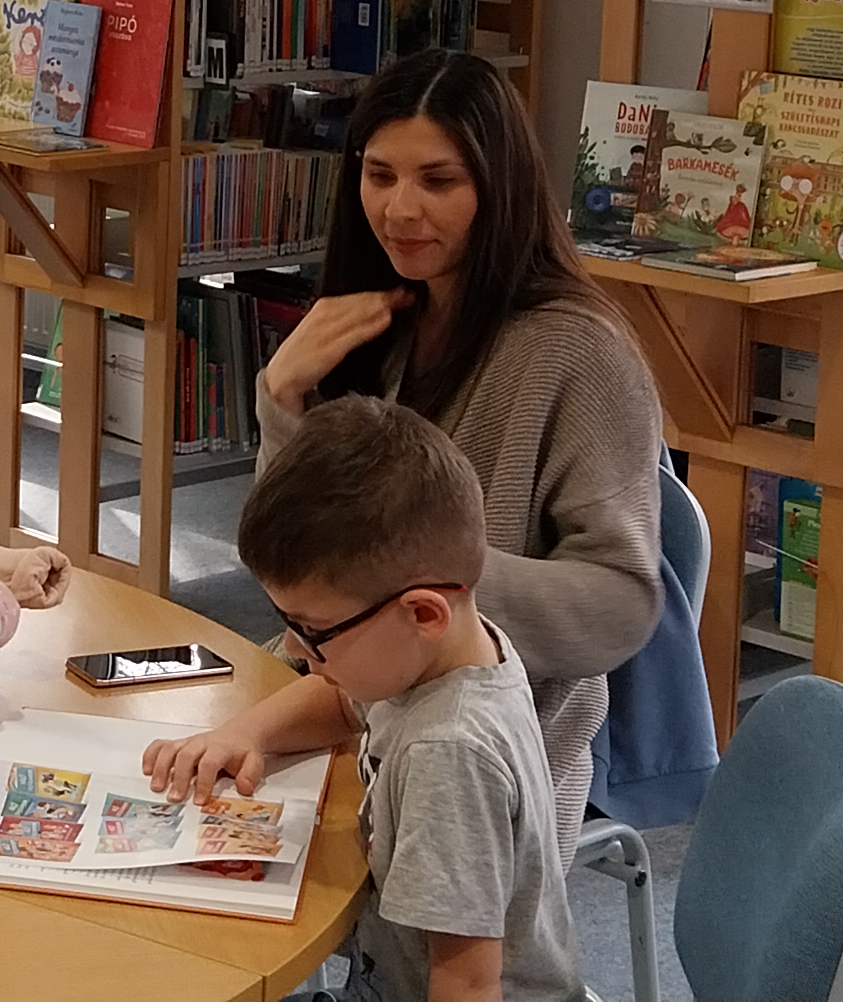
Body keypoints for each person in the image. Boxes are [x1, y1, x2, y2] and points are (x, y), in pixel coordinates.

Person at [253, 49, 662, 854]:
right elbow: (295, 560)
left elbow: (622, 605)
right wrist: (282, 400)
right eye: (378, 175)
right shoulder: (383, 317)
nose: (400, 209)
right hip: (350, 698)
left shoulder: (578, 352)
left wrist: (418, 583)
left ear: (498, 189)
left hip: (484, 751)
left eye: (439, 181)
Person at [146, 398, 583, 1002]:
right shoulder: (443, 656)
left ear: (422, 613)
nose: (294, 647)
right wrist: (243, 734)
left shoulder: (448, 753)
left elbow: (467, 979)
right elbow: (339, 703)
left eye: (315, 630)